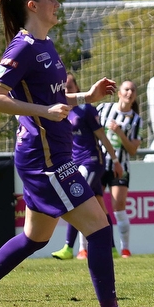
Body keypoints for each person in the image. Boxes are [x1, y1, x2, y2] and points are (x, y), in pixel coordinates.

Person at [0, 0, 152, 307]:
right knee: (99, 226)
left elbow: (51, 98)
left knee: (35, 237)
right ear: (33, 5)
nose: (57, 4)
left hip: (50, 155)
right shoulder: (23, 46)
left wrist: (84, 98)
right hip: (44, 159)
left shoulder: (45, 44)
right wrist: (44, 113)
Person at [51, 73, 123, 261]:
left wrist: (115, 161)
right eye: (64, 87)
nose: (67, 89)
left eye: (70, 86)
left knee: (74, 199)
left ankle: (68, 248)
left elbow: (102, 136)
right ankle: (113, 248)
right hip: (75, 163)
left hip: (91, 161)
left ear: (77, 87)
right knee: (100, 207)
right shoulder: (63, 110)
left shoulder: (87, 110)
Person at [97, 80, 142, 258]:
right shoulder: (104, 109)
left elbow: (132, 149)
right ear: (119, 93)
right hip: (99, 165)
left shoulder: (136, 119)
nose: (129, 92)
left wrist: (119, 132)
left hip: (120, 168)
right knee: (92, 207)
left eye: (132, 90)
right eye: (126, 89)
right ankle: (83, 249)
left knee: (119, 206)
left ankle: (125, 249)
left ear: (135, 95)